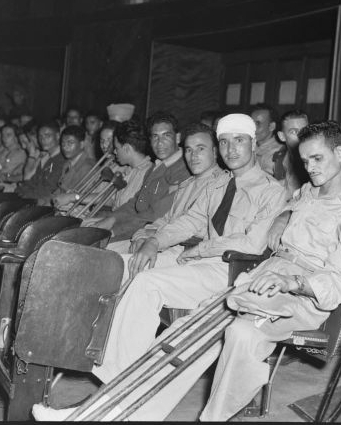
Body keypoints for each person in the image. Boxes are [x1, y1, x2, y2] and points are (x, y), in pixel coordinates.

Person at [32, 113, 287, 421]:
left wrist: (199, 249)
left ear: (254, 143)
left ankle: (113, 392)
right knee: (112, 266)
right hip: (198, 261)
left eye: (239, 141)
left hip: (230, 271)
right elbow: (187, 222)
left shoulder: (271, 191)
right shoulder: (219, 186)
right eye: (224, 142)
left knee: (146, 284)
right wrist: (154, 242)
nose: (231, 149)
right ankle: (83, 365)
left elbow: (251, 245)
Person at [114, 122, 225, 260]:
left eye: (200, 149)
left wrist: (153, 240)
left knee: (118, 266)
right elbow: (166, 219)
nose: (193, 156)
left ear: (215, 152)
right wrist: (142, 236)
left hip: (187, 252)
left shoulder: (221, 185)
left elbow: (192, 228)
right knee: (106, 254)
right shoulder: (187, 184)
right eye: (189, 150)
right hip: (162, 242)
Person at [84, 112, 190, 243]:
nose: (159, 143)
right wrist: (111, 220)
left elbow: (154, 215)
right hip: (133, 229)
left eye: (166, 136)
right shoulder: (157, 166)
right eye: (155, 137)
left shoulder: (184, 170)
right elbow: (136, 202)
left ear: (178, 138)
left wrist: (114, 231)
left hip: (153, 236)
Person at [78, 120, 152, 218]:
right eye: (102, 140)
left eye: (116, 148)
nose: (114, 151)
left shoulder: (149, 172)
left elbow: (126, 211)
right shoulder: (130, 170)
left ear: (126, 148)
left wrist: (75, 198)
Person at [15, 121, 66, 203]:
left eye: (47, 136)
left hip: (44, 202)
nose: (43, 140)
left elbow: (48, 190)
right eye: (40, 136)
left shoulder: (61, 159)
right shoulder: (46, 157)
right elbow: (32, 181)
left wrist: (23, 194)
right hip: (33, 197)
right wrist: (21, 189)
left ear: (57, 136)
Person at [47, 125, 96, 209]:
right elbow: (61, 188)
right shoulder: (68, 163)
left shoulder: (88, 167)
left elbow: (79, 197)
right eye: (63, 143)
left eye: (70, 143)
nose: (65, 147)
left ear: (81, 144)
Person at [273, 109, 309, 195]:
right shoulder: (280, 159)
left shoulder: (315, 163)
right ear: (282, 136)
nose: (302, 136)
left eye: (305, 130)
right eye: (294, 132)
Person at [250, 103, 282, 176]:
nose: (253, 128)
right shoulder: (248, 147)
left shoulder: (280, 152)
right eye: (251, 123)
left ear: (271, 126)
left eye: (258, 124)